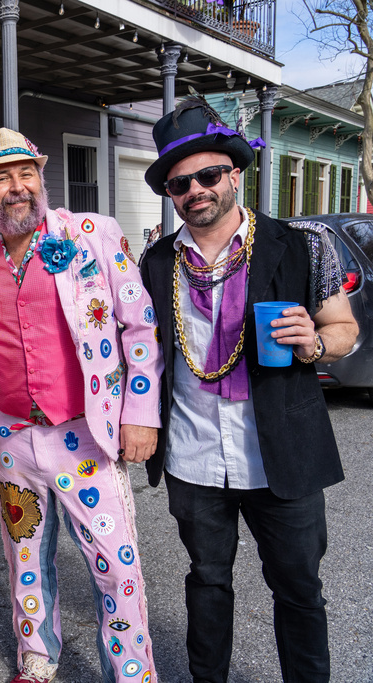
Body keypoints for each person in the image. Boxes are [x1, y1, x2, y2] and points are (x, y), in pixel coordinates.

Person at [138, 97, 359, 683]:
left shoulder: (302, 245)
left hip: (280, 454)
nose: (195, 191)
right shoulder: (155, 262)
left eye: (208, 176)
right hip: (193, 455)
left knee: (299, 590)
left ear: (235, 174)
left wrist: (314, 342)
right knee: (207, 582)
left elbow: (345, 329)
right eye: (179, 184)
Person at [0, 128, 164, 683]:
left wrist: (139, 416)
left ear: (40, 180)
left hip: (84, 434)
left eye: (26, 174)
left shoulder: (91, 234)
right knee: (24, 560)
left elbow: (140, 328)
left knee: (115, 568)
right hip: (9, 439)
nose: (17, 187)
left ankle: (132, 673)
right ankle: (37, 658)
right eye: (2, 178)